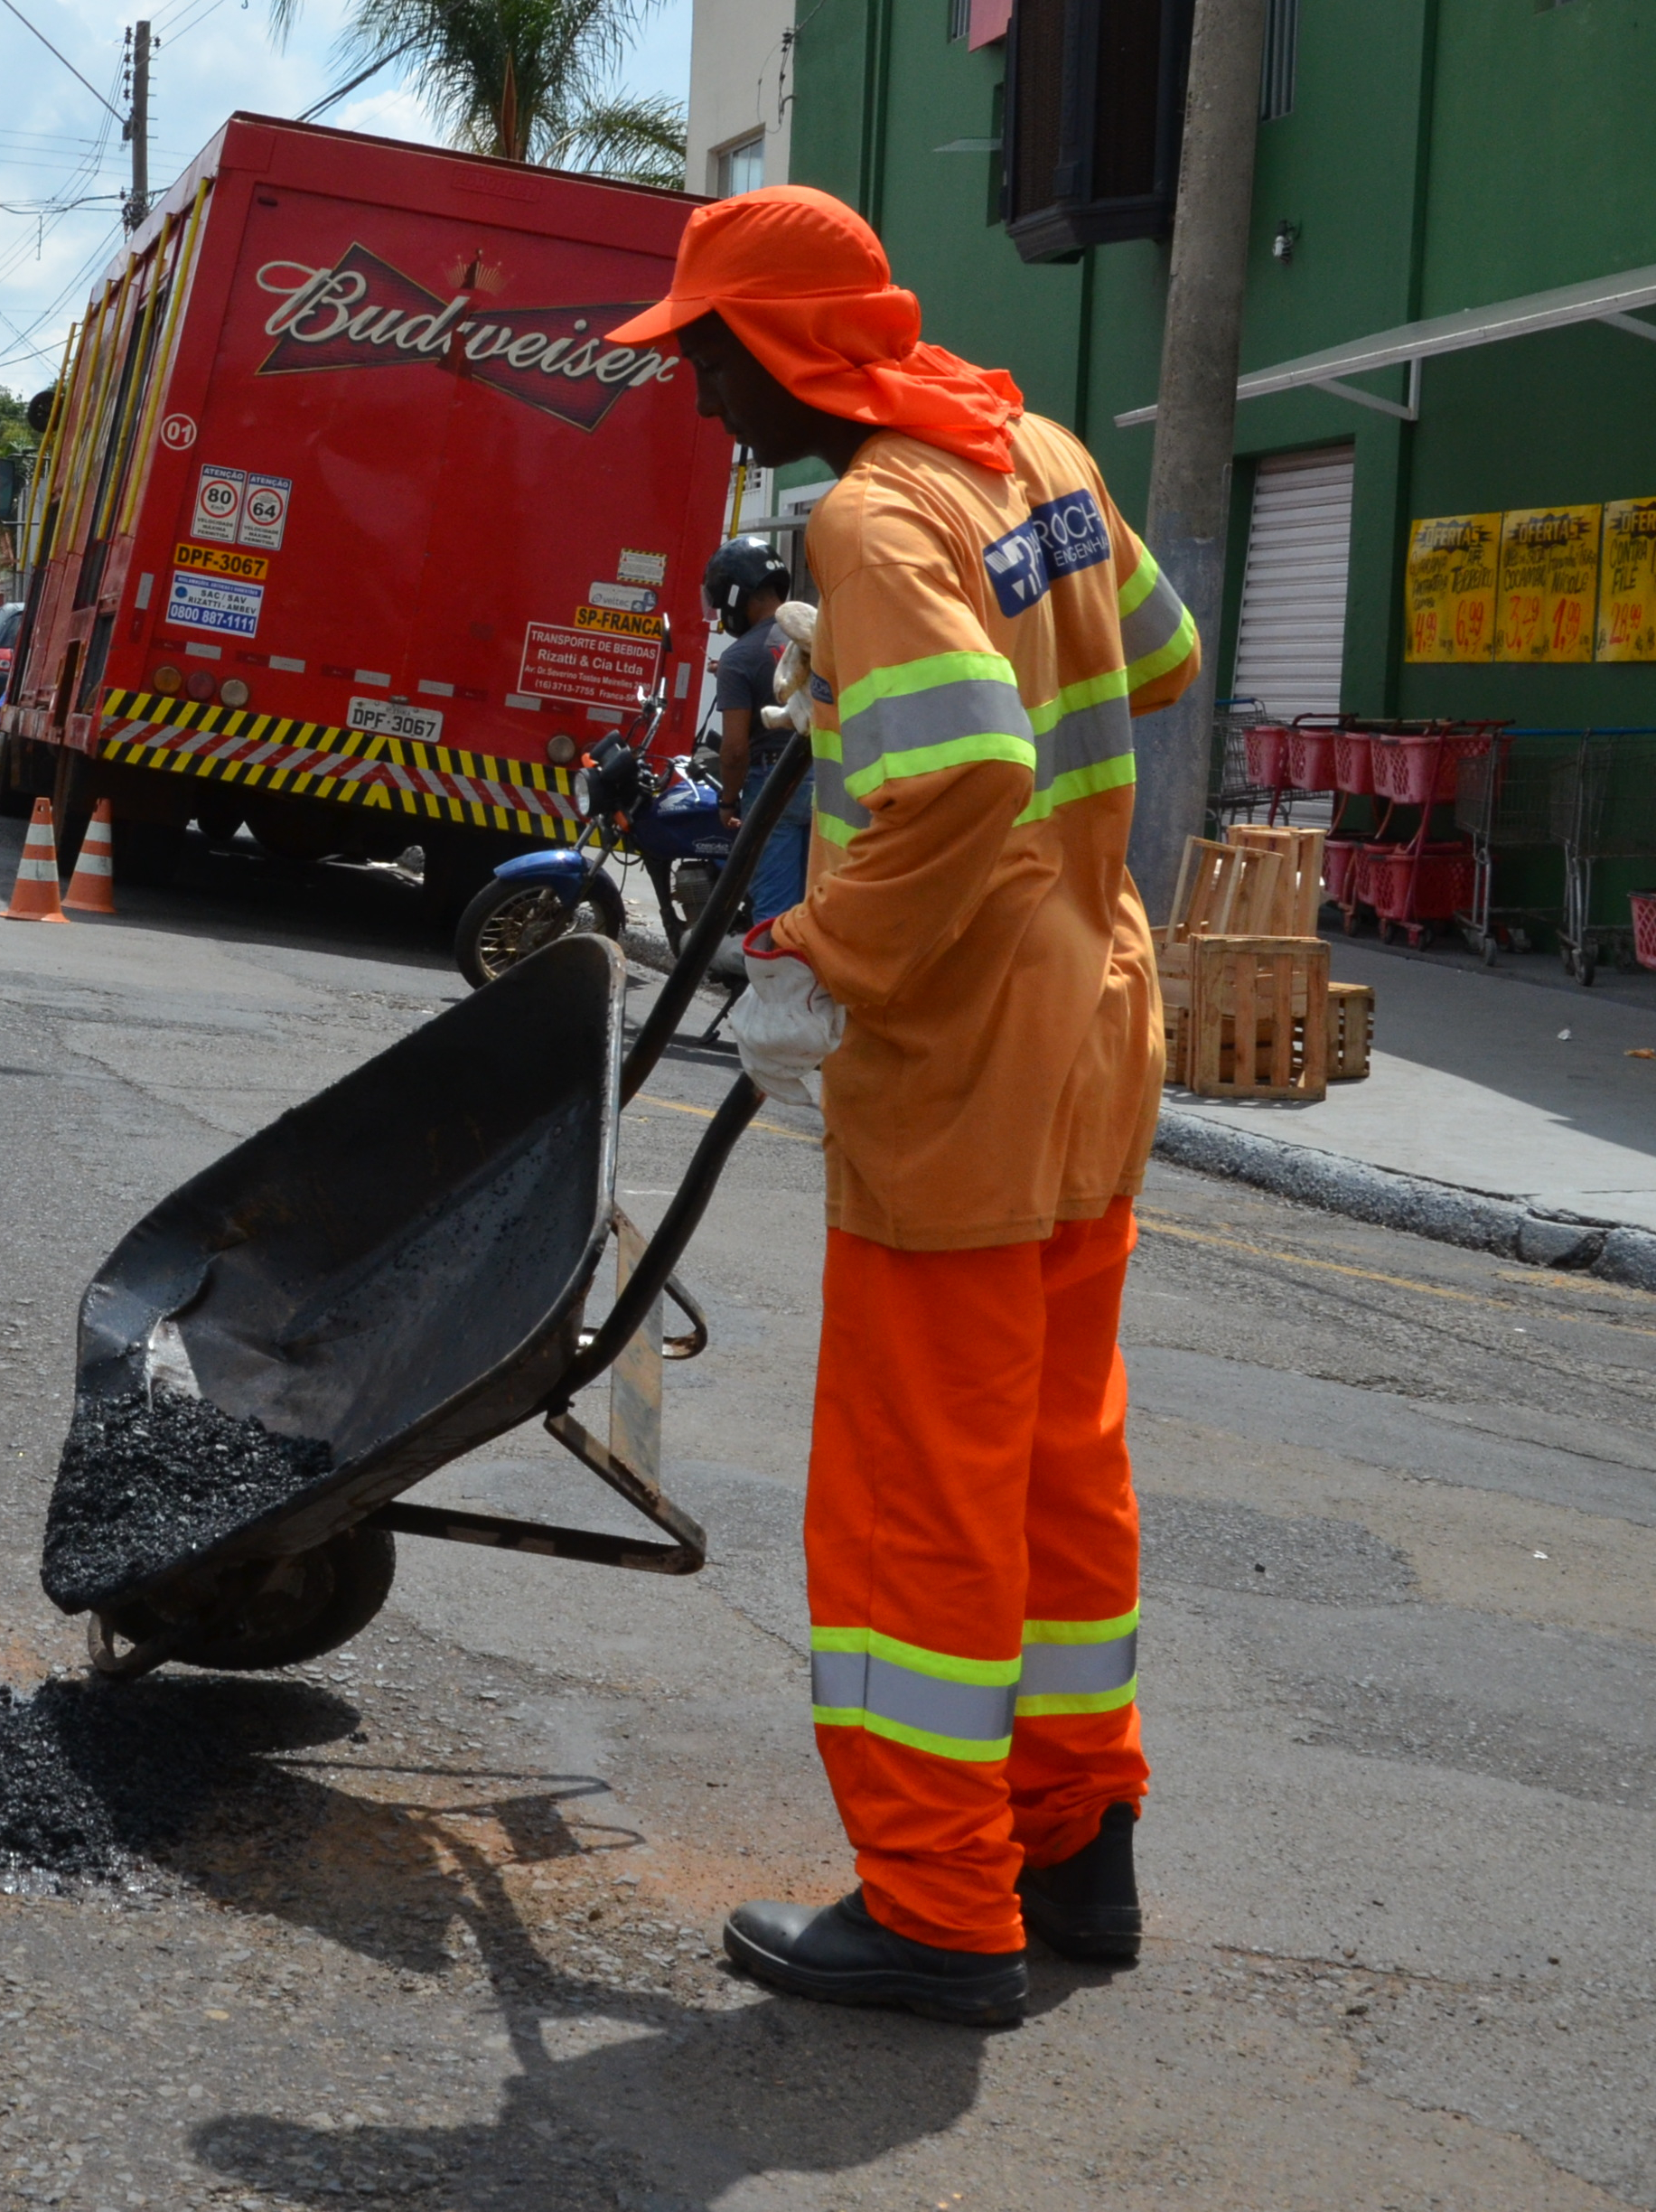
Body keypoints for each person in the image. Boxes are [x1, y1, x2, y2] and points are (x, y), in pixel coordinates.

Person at [605, 184, 1198, 2027]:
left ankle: (940, 1905)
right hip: (1094, 1024)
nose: (700, 393)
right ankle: (1075, 1844)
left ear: (788, 345)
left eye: (709, 354)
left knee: (918, 1486)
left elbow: (959, 772)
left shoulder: (872, 514)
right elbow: (1159, 660)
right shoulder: (1036, 451)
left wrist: (825, 942)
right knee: (1060, 1461)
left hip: (962, 1058)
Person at [703, 535, 813, 923]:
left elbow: (735, 750)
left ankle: (767, 963)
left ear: (737, 596)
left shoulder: (738, 657)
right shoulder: (819, 636)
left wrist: (727, 802)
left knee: (773, 915)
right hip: (828, 775)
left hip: (772, 784)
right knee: (816, 908)